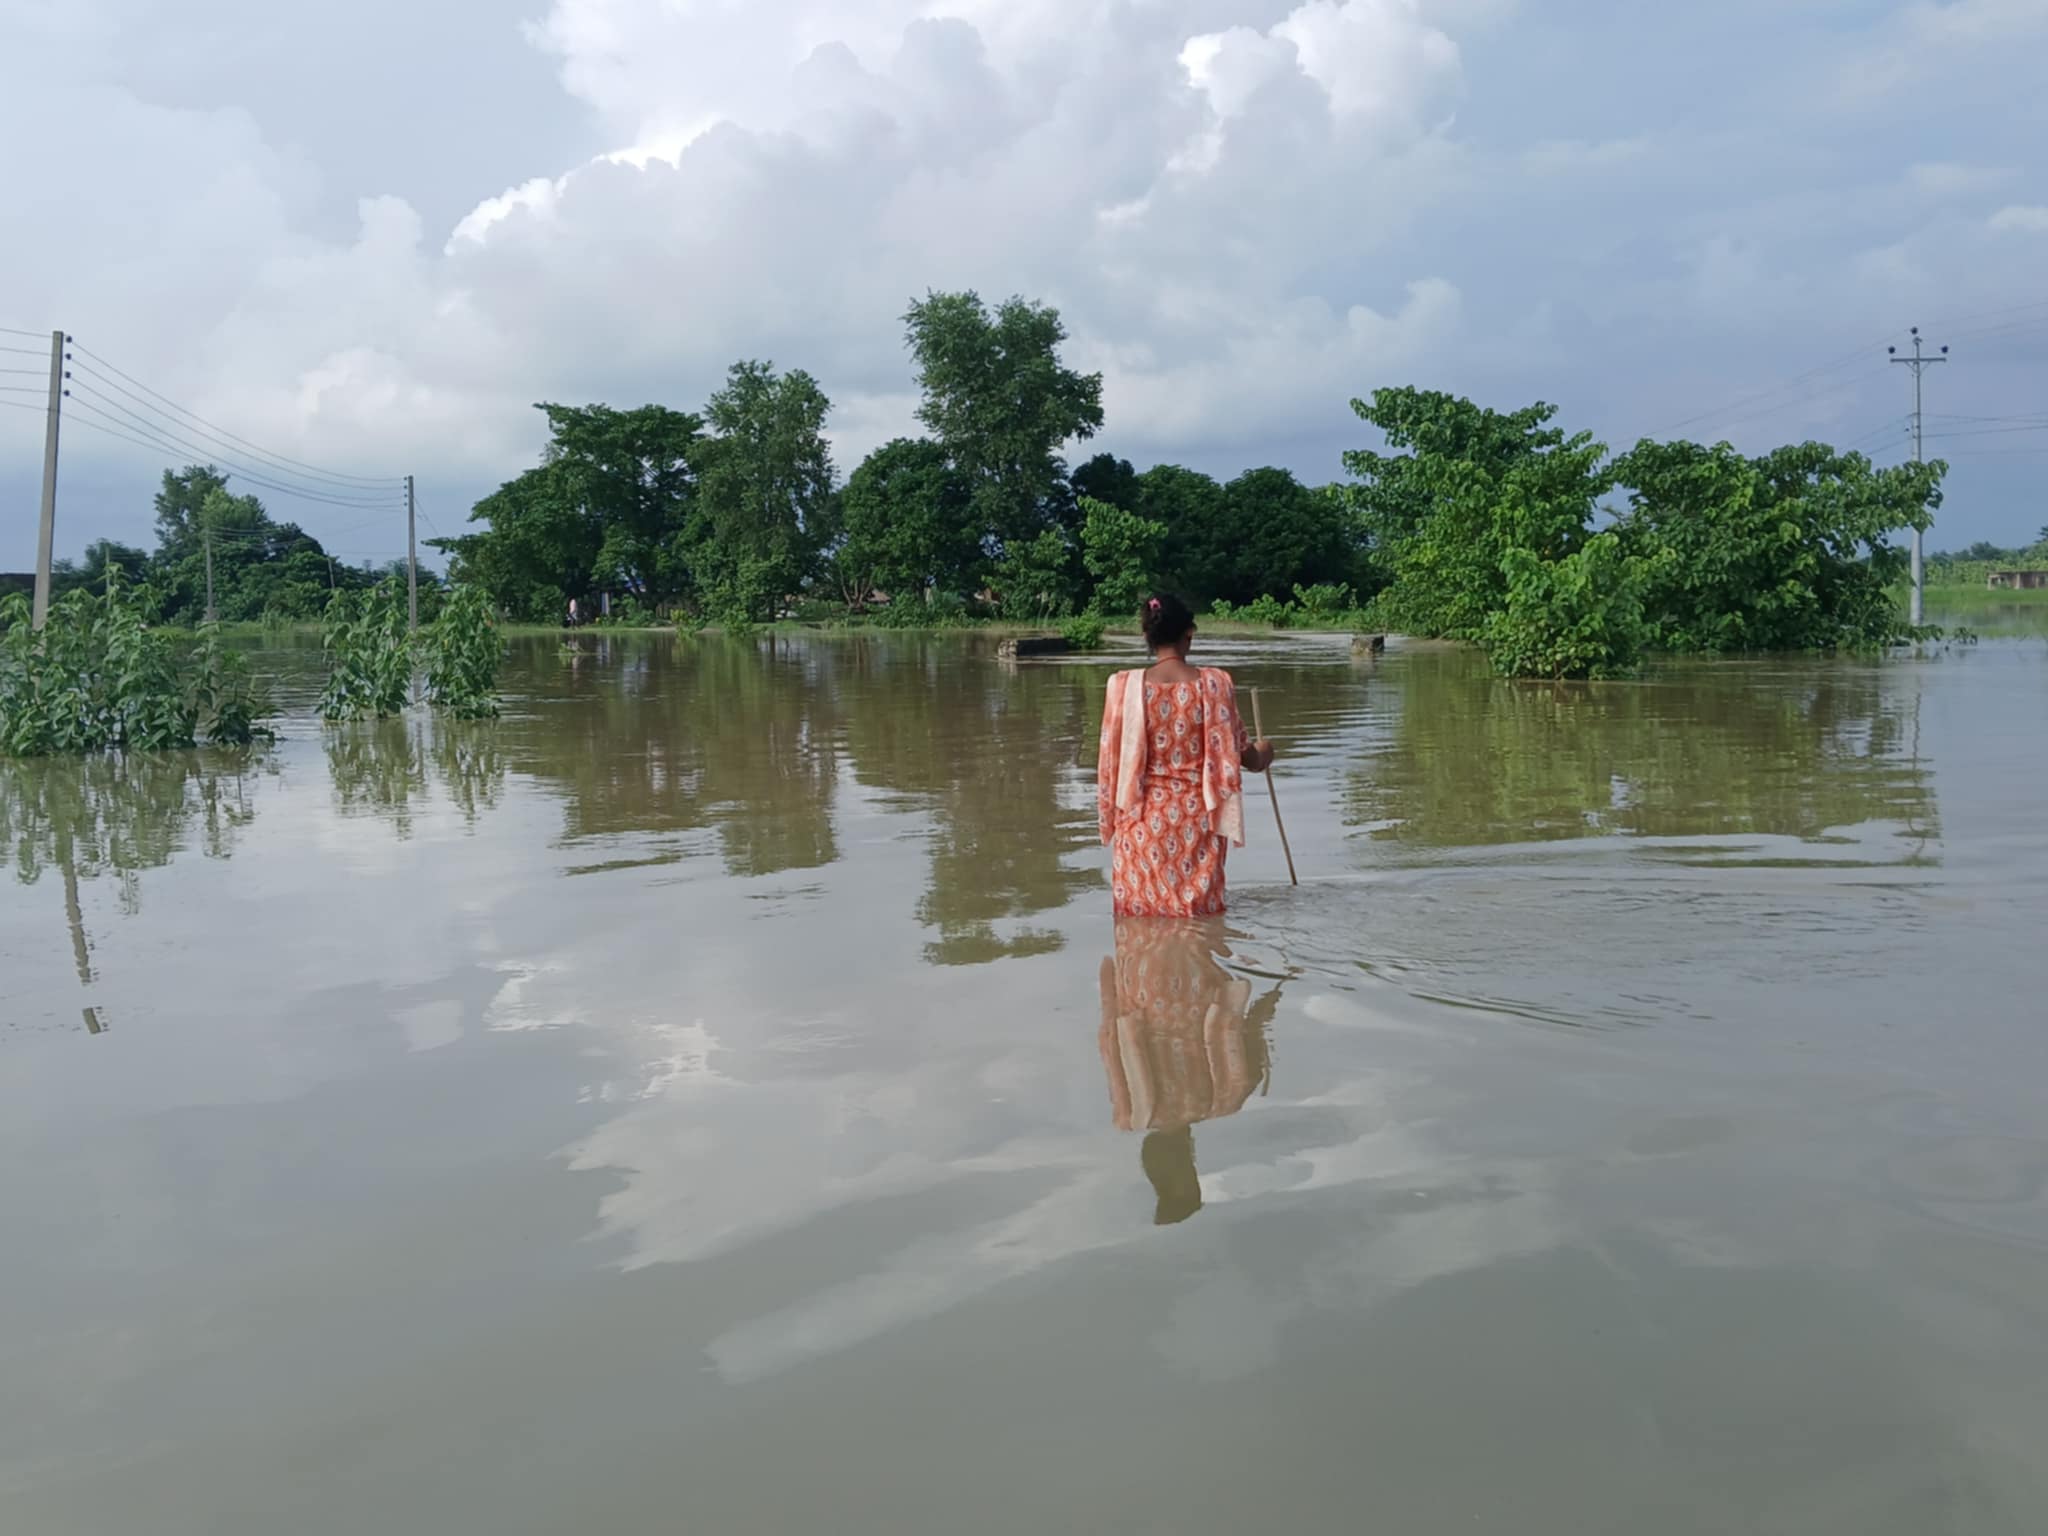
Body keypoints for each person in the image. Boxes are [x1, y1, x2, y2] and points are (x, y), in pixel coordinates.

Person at [1097, 593, 1274, 918]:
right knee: (1200, 928)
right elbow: (1245, 758)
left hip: (1140, 826)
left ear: (1146, 637)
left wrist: (1109, 822)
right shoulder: (1215, 684)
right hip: (1198, 827)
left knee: (1138, 936)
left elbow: (1109, 765)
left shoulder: (1121, 687)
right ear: (1189, 633)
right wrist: (1266, 753)